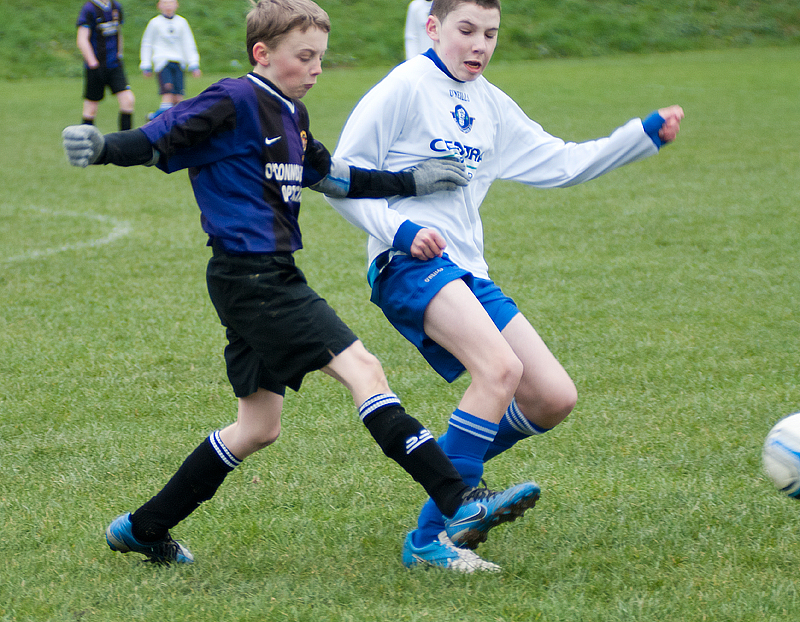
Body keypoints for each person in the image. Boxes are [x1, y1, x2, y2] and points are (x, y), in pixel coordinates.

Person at [62, 0, 540, 570]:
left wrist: (410, 180)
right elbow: (158, 136)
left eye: (321, 57)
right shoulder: (233, 99)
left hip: (262, 278)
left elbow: (335, 176)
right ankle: (459, 499)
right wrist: (101, 148)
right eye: (304, 56)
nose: (316, 69)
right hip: (254, 276)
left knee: (257, 428)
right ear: (263, 54)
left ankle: (144, 527)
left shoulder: (291, 114)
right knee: (364, 369)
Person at [326, 0, 685, 572]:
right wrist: (400, 230)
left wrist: (641, 137)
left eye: (490, 34)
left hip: (468, 271)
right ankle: (434, 536)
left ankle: (448, 480)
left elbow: (563, 163)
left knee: (551, 396)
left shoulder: (491, 104)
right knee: (499, 371)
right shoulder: (404, 87)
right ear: (433, 27)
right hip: (408, 265)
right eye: (467, 30)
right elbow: (339, 177)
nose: (479, 46)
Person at [76, 0, 135, 130]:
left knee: (128, 100)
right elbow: (82, 39)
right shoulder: (89, 8)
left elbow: (118, 32)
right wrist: (93, 63)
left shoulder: (116, 7)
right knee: (91, 108)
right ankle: (85, 143)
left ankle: (125, 143)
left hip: (114, 65)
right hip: (96, 66)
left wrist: (119, 54)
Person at [139, 0, 202, 120]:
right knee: (167, 95)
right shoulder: (155, 23)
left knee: (178, 98)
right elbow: (147, 44)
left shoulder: (182, 22)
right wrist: (146, 64)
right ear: (159, 5)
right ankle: (156, 119)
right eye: (165, 3)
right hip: (162, 63)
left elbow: (188, 43)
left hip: (178, 63)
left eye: (171, 2)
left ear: (176, 5)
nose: (168, 5)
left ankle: (158, 119)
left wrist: (194, 64)